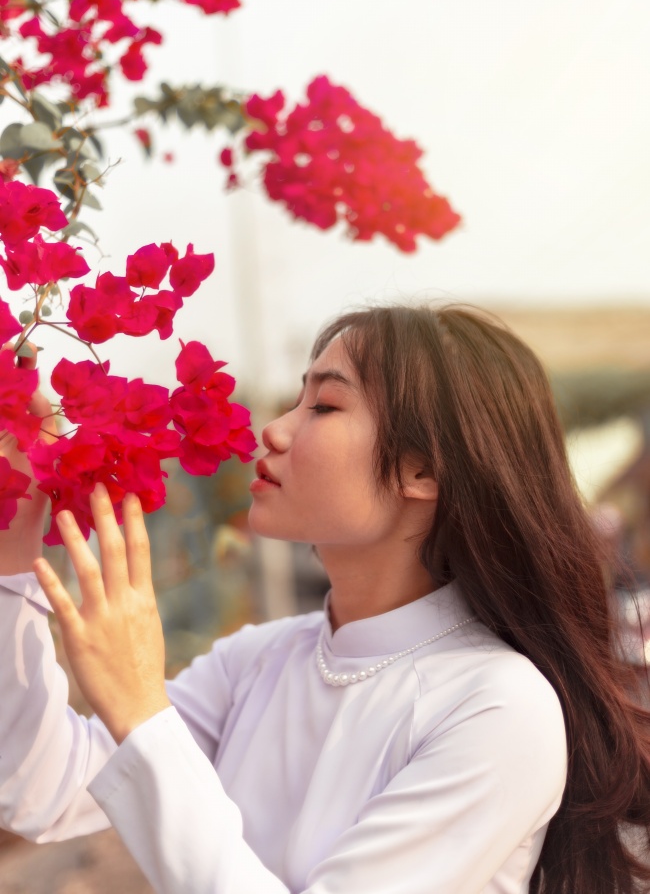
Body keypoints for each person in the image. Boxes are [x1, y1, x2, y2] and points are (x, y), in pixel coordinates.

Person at [1, 303, 649, 894]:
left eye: (324, 406)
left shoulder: (498, 704)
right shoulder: (261, 658)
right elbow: (41, 789)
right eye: (296, 399)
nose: (275, 431)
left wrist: (141, 705)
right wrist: (15, 541)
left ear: (423, 470)